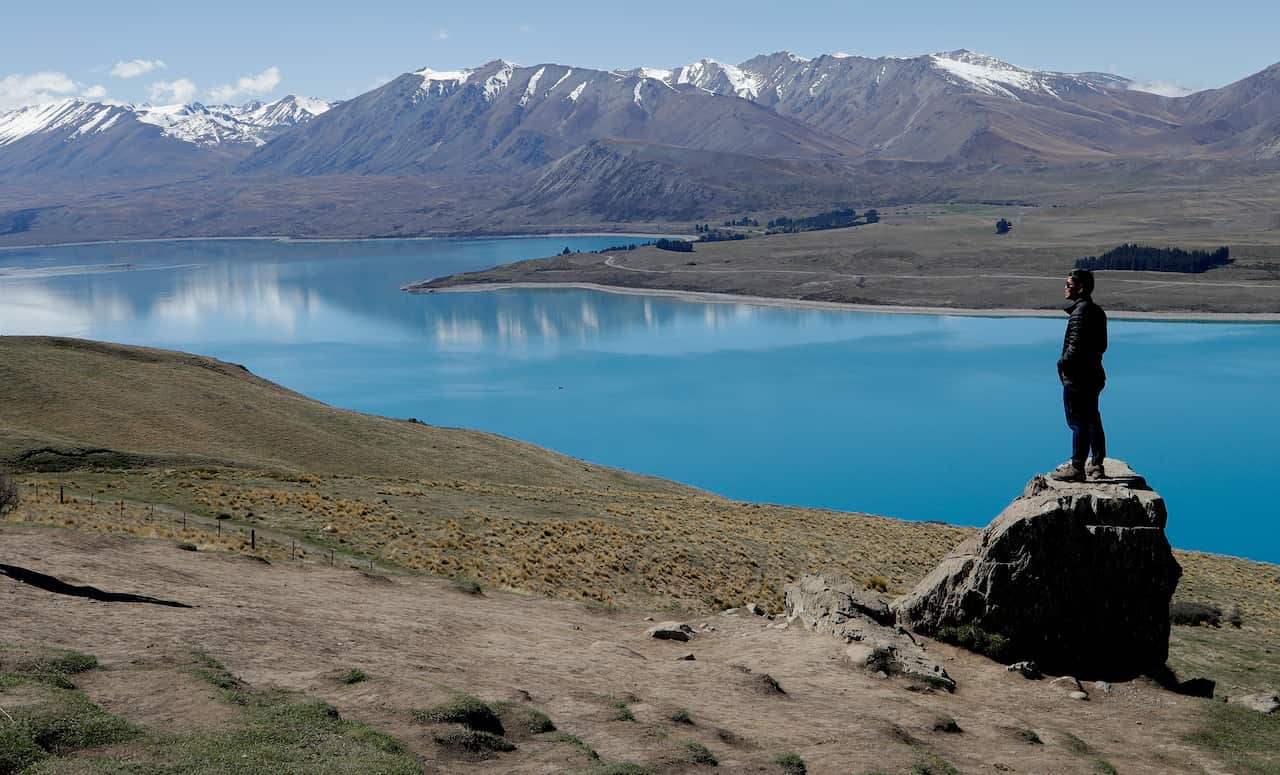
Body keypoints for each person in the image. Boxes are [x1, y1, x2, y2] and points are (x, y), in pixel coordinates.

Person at [1050, 269, 1108, 482]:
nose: (1065, 288)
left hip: (1078, 377)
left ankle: (1077, 467)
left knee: (1078, 421)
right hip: (1094, 375)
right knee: (1092, 418)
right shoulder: (1097, 311)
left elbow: (1074, 348)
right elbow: (1102, 345)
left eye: (1069, 284)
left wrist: (1063, 364)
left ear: (1080, 287)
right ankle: (1097, 464)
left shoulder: (1080, 313)